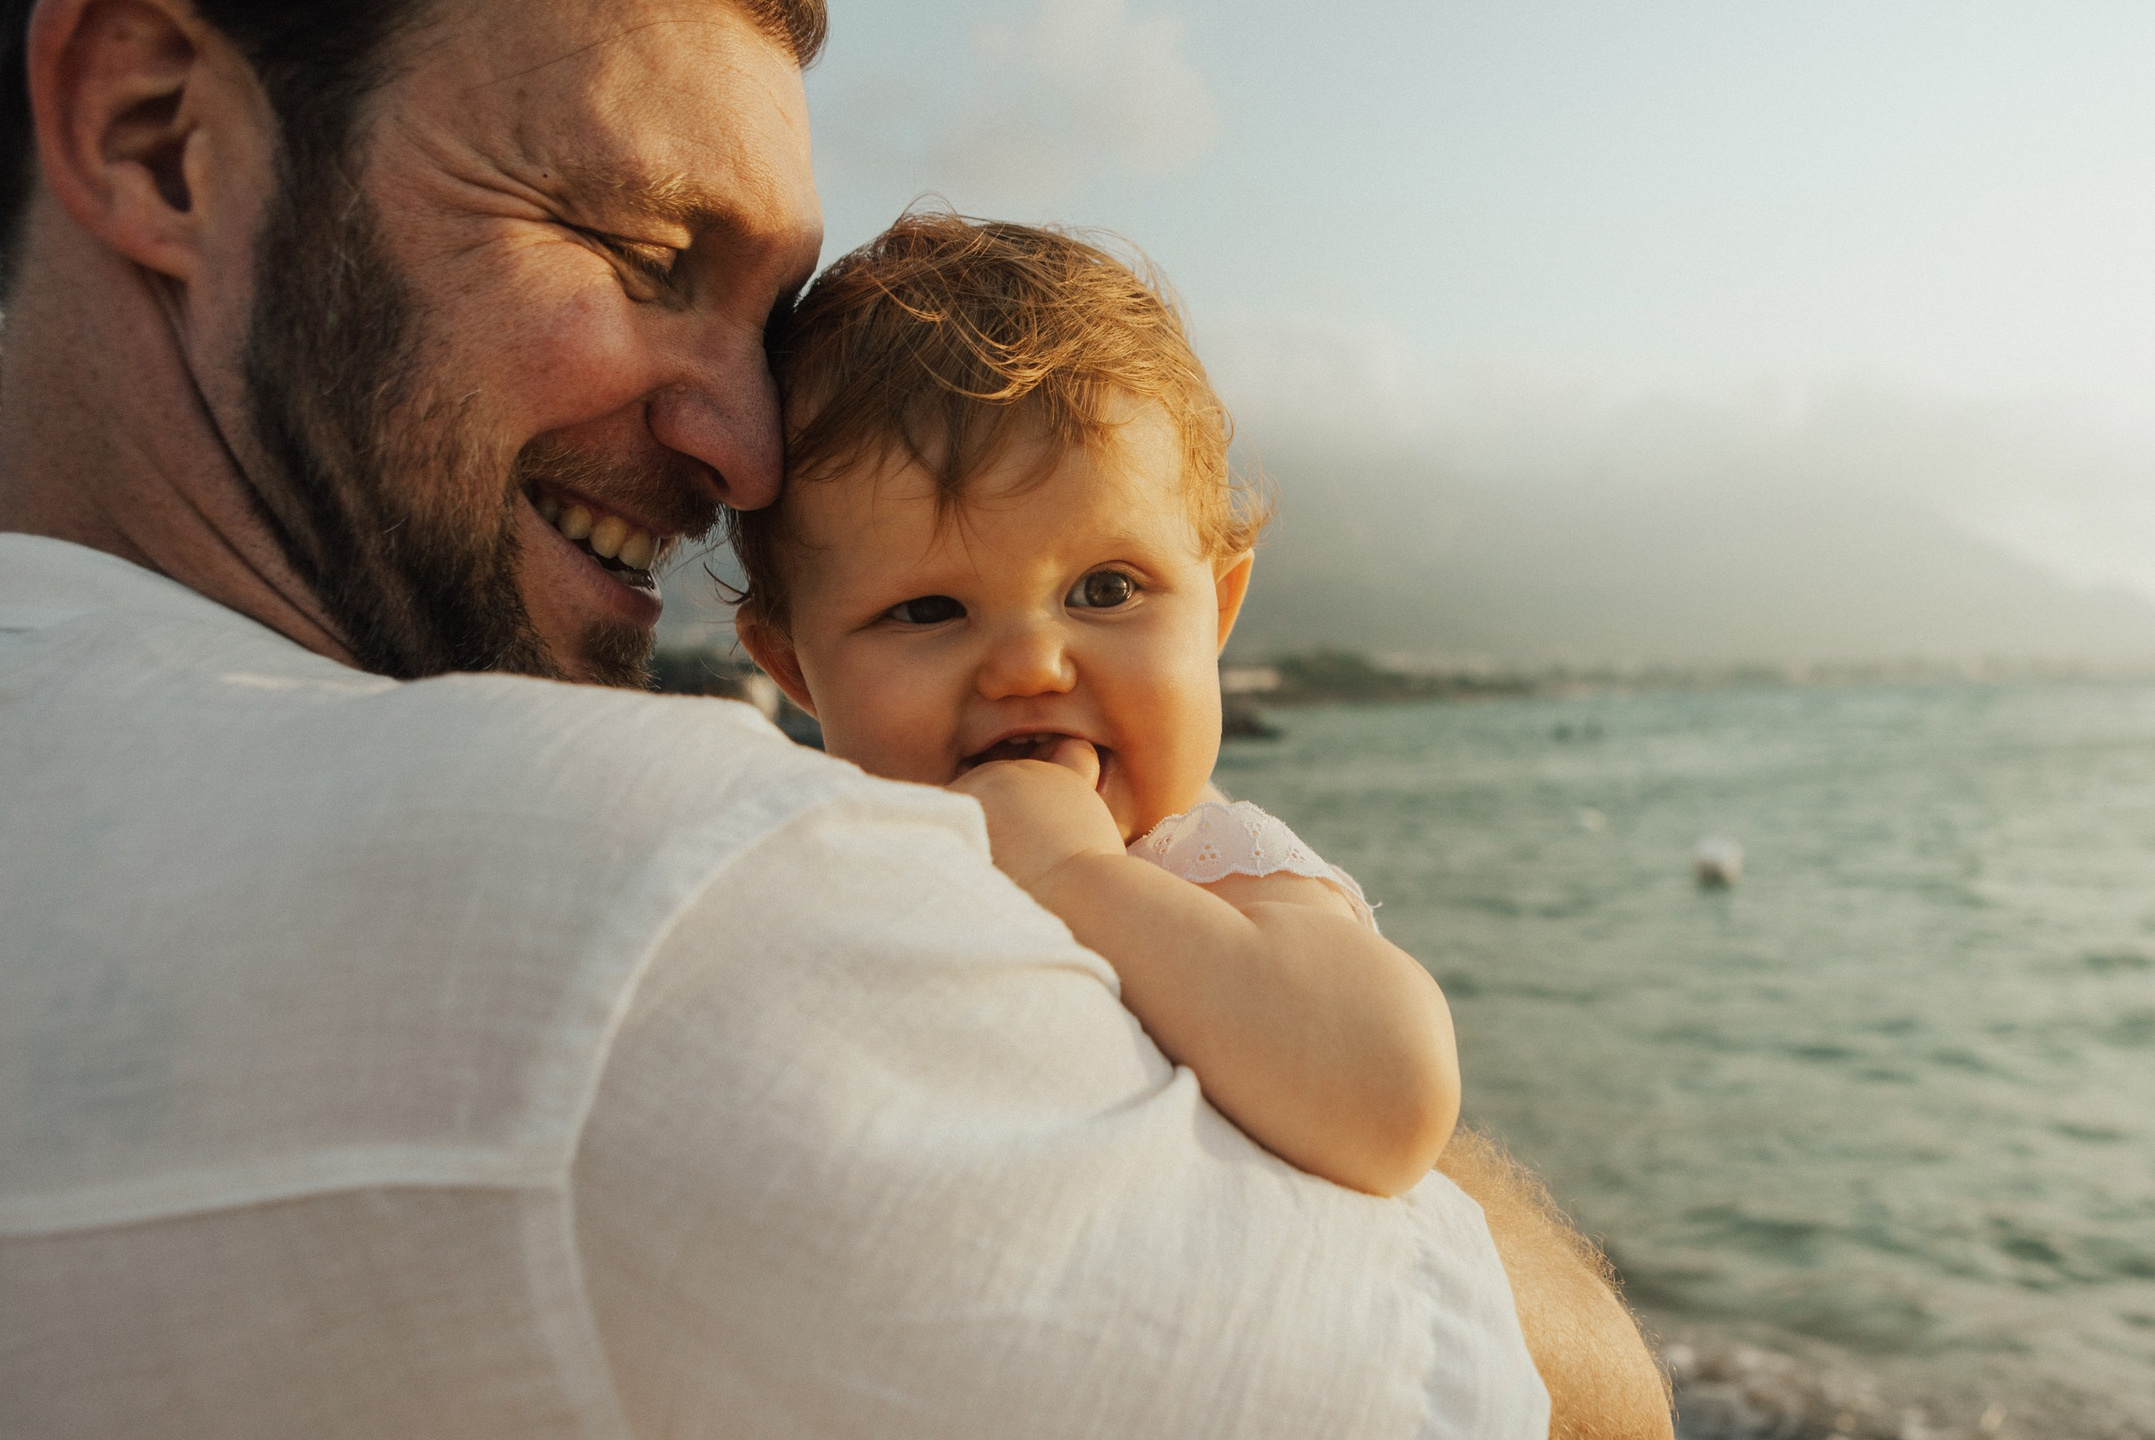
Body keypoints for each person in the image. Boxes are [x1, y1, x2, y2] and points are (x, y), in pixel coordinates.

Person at [0, 0, 1673, 1436]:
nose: (745, 445)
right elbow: (1563, 1403)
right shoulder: (643, 914)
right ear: (160, 138)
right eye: (647, 255)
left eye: (1108, 589)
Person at [733, 214, 1459, 1199]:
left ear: (1218, 612)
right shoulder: (828, 868)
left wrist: (1066, 873)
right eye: (928, 610)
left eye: (1106, 591)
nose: (1030, 665)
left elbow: (1391, 1096)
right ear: (795, 669)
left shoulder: (1211, 869)